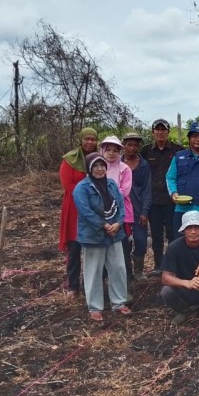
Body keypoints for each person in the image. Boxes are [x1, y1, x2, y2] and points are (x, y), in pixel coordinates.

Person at [72, 153, 131, 321]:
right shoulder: (82, 188)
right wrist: (104, 225)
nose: (100, 169)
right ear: (89, 168)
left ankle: (119, 303)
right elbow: (85, 212)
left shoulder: (111, 184)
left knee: (118, 268)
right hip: (93, 235)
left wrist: (118, 223)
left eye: (102, 166)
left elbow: (121, 206)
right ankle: (95, 307)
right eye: (96, 166)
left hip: (115, 233)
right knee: (94, 271)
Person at [141, 119, 183, 276]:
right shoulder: (145, 151)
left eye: (163, 130)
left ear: (168, 132)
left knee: (173, 233)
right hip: (153, 200)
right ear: (152, 132)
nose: (160, 132)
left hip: (172, 200)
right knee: (157, 235)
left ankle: (173, 265)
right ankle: (159, 265)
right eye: (157, 130)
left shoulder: (178, 151)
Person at [59, 127, 98, 297]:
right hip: (75, 207)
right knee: (74, 247)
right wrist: (88, 194)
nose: (89, 142)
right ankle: (73, 285)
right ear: (81, 140)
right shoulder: (70, 159)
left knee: (93, 248)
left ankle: (92, 284)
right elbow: (67, 184)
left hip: (95, 206)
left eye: (93, 139)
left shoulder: (98, 159)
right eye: (86, 139)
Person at [101, 135, 133, 287]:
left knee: (123, 251)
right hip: (101, 215)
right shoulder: (98, 167)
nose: (112, 153)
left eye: (115, 150)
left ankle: (125, 285)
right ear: (103, 150)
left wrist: (105, 193)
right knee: (101, 251)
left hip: (121, 214)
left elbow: (125, 191)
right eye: (108, 150)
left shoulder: (124, 169)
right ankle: (100, 286)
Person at [122, 132, 152, 282]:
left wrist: (145, 211)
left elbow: (147, 189)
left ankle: (138, 270)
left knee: (141, 241)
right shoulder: (117, 164)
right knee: (124, 243)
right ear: (123, 145)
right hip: (121, 212)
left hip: (138, 210)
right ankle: (126, 273)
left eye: (136, 145)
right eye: (129, 145)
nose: (133, 148)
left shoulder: (144, 164)